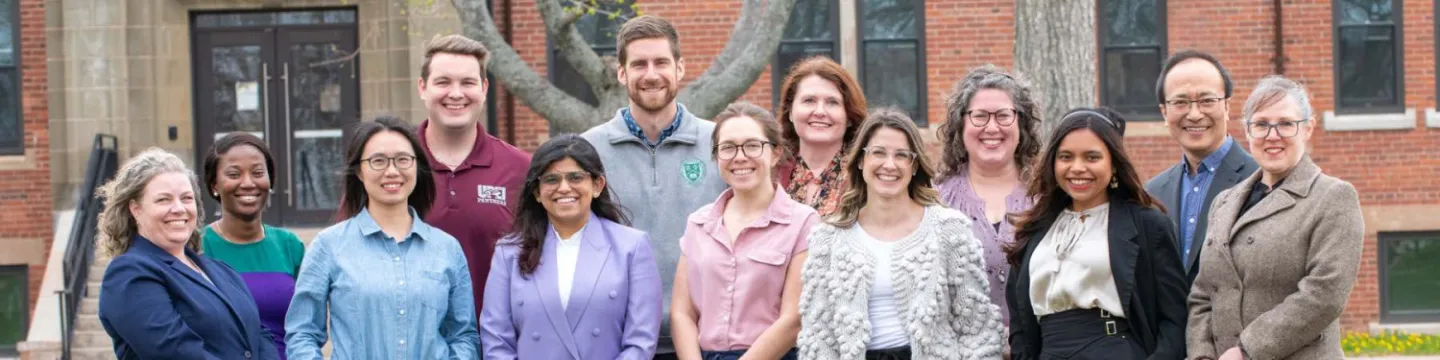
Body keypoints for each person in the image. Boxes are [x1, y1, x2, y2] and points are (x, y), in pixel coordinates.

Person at [799, 108, 1003, 359]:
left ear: (914, 165)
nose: (889, 164)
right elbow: (818, 338)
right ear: (861, 160)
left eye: (901, 155)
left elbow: (977, 329)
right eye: (878, 153)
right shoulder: (828, 239)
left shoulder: (949, 230)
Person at [579, 15, 728, 358]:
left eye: (661, 62)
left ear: (679, 68)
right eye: (638, 64)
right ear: (621, 73)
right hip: (618, 342)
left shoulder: (719, 144)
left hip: (706, 341)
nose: (650, 74)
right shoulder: (588, 152)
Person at [1187, 76, 1363, 360]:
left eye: (1285, 123)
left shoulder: (1333, 198)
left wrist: (1247, 351)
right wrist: (1202, 354)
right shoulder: (1223, 202)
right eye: (1261, 124)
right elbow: (1203, 294)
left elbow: (1325, 294)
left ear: (1308, 128)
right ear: (1247, 131)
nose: (1272, 135)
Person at [286, 117, 478, 359]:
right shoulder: (329, 246)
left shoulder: (447, 248)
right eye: (378, 161)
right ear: (359, 171)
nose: (392, 171)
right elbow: (302, 333)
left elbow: (463, 335)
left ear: (416, 166)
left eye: (402, 160)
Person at [1004, 108, 1187, 359]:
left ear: (1113, 165)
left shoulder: (1147, 224)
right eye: (1066, 157)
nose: (1077, 168)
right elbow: (1020, 324)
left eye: (1092, 157)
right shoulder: (1034, 229)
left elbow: (1174, 318)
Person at [480, 134, 663, 359]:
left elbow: (640, 341)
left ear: (597, 185)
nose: (564, 188)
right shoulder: (509, 252)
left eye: (576, 177)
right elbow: (496, 340)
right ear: (537, 192)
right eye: (551, 179)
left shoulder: (631, 247)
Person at [96, 148, 280, 360]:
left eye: (186, 198)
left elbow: (259, 335)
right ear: (135, 209)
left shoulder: (221, 270)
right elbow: (175, 351)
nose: (179, 209)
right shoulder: (129, 273)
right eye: (164, 200)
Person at [672, 103, 817, 360]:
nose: (740, 157)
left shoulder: (803, 223)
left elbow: (794, 318)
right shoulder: (698, 224)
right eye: (727, 147)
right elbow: (683, 313)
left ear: (775, 153)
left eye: (752, 145)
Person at [414, 34, 531, 316]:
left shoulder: (522, 169)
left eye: (467, 82)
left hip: (496, 345)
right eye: (443, 82)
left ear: (484, 88)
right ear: (422, 88)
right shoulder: (390, 165)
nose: (456, 93)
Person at [934, 64, 1043, 328]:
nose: (992, 127)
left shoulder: (1047, 196)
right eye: (980, 116)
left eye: (1004, 116)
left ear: (1022, 124)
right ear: (961, 124)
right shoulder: (935, 200)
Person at [1144, 50, 1257, 279]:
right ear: (1164, 113)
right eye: (1181, 102)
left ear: (1226, 107)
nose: (1194, 114)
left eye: (1207, 101)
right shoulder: (1151, 194)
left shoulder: (1260, 181)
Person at [200, 133, 306, 359]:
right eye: (234, 174)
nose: (248, 183)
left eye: (258, 173)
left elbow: (307, 326)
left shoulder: (289, 246)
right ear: (214, 185)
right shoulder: (198, 248)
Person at [774, 57, 869, 216]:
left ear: (849, 116)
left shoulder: (867, 175)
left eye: (832, 102)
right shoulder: (770, 173)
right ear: (790, 112)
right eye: (809, 100)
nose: (820, 112)